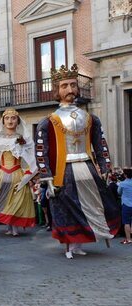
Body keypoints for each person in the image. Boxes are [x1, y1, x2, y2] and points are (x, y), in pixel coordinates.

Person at [35, 64, 120, 259]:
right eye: (65, 86)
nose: (70, 90)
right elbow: (41, 152)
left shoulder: (91, 118)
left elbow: (100, 144)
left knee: (92, 205)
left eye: (73, 85)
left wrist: (105, 166)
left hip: (88, 168)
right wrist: (47, 176)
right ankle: (69, 244)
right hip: (64, 171)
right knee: (66, 208)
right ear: (57, 89)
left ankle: (80, 242)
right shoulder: (49, 121)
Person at [0, 109, 37, 236]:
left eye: (13, 118)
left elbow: (31, 159)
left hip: (17, 174)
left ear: (18, 121)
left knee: (16, 200)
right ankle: (9, 226)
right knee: (1, 200)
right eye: (7, 118)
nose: (10, 121)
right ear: (3, 121)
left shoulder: (23, 139)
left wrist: (27, 175)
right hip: (2, 174)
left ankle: (14, 227)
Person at [117, 168, 132, 244]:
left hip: (126, 204)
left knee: (126, 222)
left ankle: (128, 239)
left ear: (125, 175)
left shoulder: (123, 183)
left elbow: (119, 192)